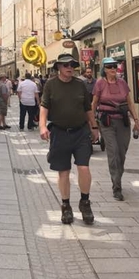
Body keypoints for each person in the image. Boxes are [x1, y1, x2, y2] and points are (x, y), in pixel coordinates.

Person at [39, 53, 99, 225]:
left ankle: (85, 202)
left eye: (72, 65)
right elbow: (44, 107)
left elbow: (88, 108)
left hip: (81, 132)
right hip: (59, 132)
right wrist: (42, 126)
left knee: (84, 168)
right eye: (66, 65)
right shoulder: (51, 85)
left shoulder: (80, 85)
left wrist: (94, 127)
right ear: (58, 67)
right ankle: (65, 205)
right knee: (63, 171)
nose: (70, 68)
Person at [91, 57, 139, 200]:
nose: (113, 69)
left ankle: (118, 177)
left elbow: (130, 103)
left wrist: (136, 121)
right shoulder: (100, 83)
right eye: (109, 67)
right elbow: (94, 104)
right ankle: (116, 186)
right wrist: (93, 124)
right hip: (107, 122)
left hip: (123, 122)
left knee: (121, 153)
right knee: (113, 153)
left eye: (114, 66)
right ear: (104, 69)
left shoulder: (122, 83)